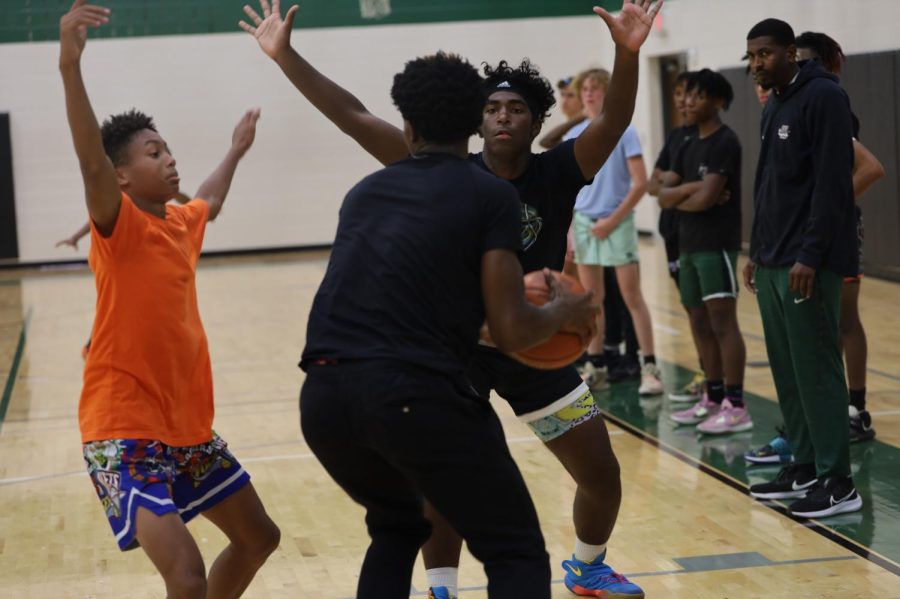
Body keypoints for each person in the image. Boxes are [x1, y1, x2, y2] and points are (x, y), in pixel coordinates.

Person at [240, 1, 663, 596]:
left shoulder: (558, 171)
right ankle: (440, 584)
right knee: (446, 485)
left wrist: (627, 52)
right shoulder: (438, 165)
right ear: (474, 118)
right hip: (456, 345)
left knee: (601, 471)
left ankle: (588, 566)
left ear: (535, 117)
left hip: (534, 335)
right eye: (490, 109)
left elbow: (613, 122)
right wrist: (286, 56)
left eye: (516, 109)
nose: (502, 118)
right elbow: (352, 115)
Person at [276, 46, 597, 596]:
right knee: (515, 550)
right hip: (410, 387)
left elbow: (352, 115)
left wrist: (283, 57)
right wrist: (564, 311)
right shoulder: (487, 194)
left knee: (397, 528)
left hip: (324, 396)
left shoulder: (367, 191)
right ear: (474, 122)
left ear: (406, 124)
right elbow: (514, 331)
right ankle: (449, 582)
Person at [60, 2, 280, 597]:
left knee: (259, 536)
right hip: (122, 430)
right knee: (185, 577)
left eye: (167, 147)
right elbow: (88, 159)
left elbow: (210, 197)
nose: (168, 156)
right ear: (121, 176)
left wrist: (236, 149)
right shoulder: (117, 224)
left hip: (187, 429)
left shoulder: (180, 221)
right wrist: (68, 65)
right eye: (153, 152)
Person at [744, 30, 885, 464]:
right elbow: (769, 186)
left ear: (795, 57)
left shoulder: (823, 100)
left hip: (818, 244)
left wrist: (816, 230)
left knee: (833, 335)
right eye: (750, 58)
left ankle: (849, 421)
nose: (756, 66)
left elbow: (863, 170)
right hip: (782, 249)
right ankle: (804, 458)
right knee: (795, 359)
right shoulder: (777, 106)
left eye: (764, 55)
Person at [658, 69, 751, 434]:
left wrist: (690, 194)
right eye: (687, 96)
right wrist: (693, 191)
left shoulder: (726, 141)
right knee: (699, 322)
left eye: (698, 96)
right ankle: (712, 397)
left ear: (718, 101)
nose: (689, 103)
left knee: (723, 324)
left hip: (717, 244)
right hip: (688, 243)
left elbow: (707, 199)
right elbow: (664, 194)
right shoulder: (686, 141)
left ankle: (736, 404)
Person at [565, 67, 663, 397]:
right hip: (584, 222)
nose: (589, 94)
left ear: (606, 93)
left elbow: (640, 183)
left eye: (595, 88)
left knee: (632, 297)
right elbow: (569, 189)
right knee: (593, 301)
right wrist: (569, 232)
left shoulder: (625, 132)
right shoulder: (576, 133)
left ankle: (650, 368)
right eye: (586, 89)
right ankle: (597, 366)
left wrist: (613, 219)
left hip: (616, 222)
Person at [56, 191, 192, 360]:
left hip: (144, 258)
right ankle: (93, 345)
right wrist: (75, 237)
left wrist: (199, 205)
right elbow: (98, 219)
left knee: (133, 305)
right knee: (113, 304)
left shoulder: (154, 193)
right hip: (120, 257)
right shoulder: (124, 198)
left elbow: (190, 204)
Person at [646, 70, 709, 403]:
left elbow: (703, 190)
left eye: (691, 93)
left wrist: (671, 185)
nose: (683, 100)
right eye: (679, 92)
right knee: (692, 310)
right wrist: (676, 185)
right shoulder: (674, 138)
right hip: (673, 236)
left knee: (709, 314)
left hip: (700, 238)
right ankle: (706, 374)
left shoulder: (711, 139)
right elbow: (652, 187)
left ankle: (717, 381)